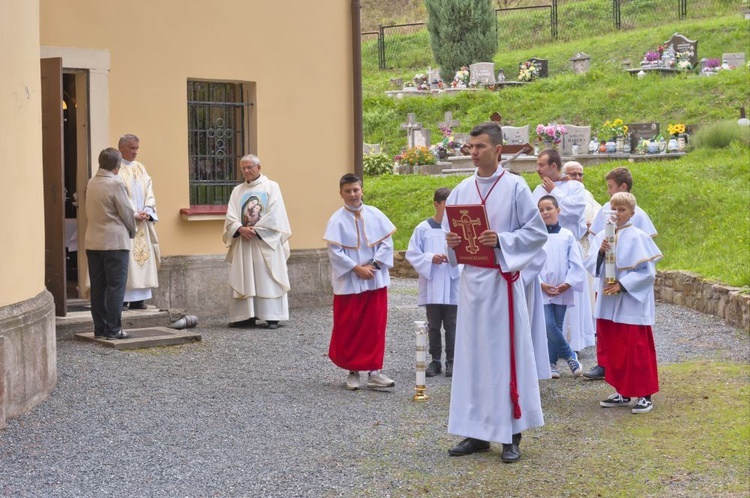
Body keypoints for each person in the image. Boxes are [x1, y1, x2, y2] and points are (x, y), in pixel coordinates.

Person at [443, 123, 547, 463]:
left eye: (481, 146)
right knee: (473, 358)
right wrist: (454, 245)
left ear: (498, 150)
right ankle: (476, 432)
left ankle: (511, 435)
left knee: (504, 358)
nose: (473, 152)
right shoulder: (461, 190)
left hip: (502, 284)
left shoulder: (516, 188)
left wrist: (502, 240)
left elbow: (535, 233)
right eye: (471, 146)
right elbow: (452, 235)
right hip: (473, 284)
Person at [585, 192, 662, 413]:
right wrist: (600, 251)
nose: (617, 214)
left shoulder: (639, 236)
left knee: (635, 348)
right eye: (614, 209)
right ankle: (622, 391)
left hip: (630, 302)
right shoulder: (602, 235)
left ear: (632, 213)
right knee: (615, 347)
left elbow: (647, 273)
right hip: (609, 302)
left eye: (622, 210)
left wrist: (622, 284)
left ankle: (645, 394)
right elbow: (591, 266)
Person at [324, 174, 397, 391]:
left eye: (356, 190)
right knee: (350, 326)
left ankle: (375, 372)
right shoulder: (336, 220)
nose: (353, 194)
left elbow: (387, 243)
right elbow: (335, 252)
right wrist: (357, 269)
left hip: (374, 280)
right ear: (341, 193)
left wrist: (372, 266)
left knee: (375, 326)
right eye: (348, 191)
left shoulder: (376, 215)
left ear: (362, 190)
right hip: (350, 282)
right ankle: (353, 371)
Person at [532, 150, 595, 354]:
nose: (537, 168)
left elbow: (575, 212)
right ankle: (551, 347)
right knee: (547, 303)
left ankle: (572, 345)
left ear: (553, 166)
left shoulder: (575, 187)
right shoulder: (537, 190)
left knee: (567, 298)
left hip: (568, 246)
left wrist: (556, 191)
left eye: (541, 164)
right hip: (544, 248)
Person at [223, 154, 291, 330]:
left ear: (259, 167)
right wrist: (240, 229)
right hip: (244, 242)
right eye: (243, 168)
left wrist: (256, 230)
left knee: (267, 277)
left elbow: (276, 214)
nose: (246, 171)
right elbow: (230, 214)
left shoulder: (271, 187)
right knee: (245, 276)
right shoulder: (237, 191)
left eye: (249, 167)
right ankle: (245, 316)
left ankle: (272, 316)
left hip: (265, 241)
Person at [405, 187, 459, 378]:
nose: (450, 210)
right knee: (434, 324)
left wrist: (454, 260)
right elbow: (412, 253)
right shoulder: (423, 229)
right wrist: (429, 259)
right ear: (436, 204)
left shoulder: (456, 229)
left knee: (452, 324)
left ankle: (452, 360)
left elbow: (466, 255)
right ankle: (435, 360)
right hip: (433, 282)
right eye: (446, 206)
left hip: (453, 284)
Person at [85, 148, 136, 339]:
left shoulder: (91, 182)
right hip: (114, 242)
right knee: (116, 288)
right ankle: (114, 330)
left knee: (98, 288)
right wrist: (132, 231)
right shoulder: (115, 184)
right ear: (117, 165)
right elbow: (127, 212)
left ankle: (100, 328)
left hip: (93, 241)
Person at [537, 195, 585, 378]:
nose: (545, 212)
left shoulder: (567, 235)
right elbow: (531, 262)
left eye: (549, 208)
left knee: (556, 325)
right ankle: (569, 355)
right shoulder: (537, 235)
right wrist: (541, 283)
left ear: (558, 210)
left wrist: (568, 283)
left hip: (562, 287)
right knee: (548, 324)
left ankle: (551, 363)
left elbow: (575, 262)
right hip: (543, 287)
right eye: (541, 210)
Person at [117, 134, 160, 311]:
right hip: (127, 223)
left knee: (143, 259)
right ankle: (124, 298)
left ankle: (139, 299)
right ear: (121, 148)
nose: (135, 152)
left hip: (143, 222)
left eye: (136, 148)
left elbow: (149, 191)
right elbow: (118, 197)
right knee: (128, 262)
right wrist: (133, 213)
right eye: (131, 148)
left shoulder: (141, 168)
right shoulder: (116, 169)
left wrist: (148, 211)